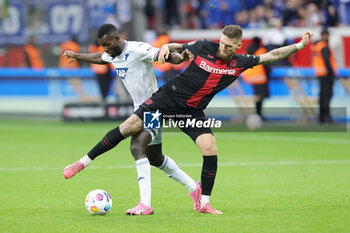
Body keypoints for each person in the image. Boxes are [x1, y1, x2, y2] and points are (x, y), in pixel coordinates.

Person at [65, 25, 313, 214]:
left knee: (209, 147)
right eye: (223, 43)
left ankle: (203, 202)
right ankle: (84, 163)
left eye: (229, 46)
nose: (223, 48)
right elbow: (177, 48)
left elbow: (272, 55)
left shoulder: (241, 63)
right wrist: (166, 48)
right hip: (167, 99)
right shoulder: (205, 46)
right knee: (132, 132)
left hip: (192, 112)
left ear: (237, 47)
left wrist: (299, 46)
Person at [62, 24, 200, 215]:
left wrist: (179, 58)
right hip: (140, 109)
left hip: (154, 108)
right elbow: (100, 58)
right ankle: (194, 188)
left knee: (135, 146)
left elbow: (164, 54)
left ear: (117, 38)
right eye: (103, 46)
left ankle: (85, 163)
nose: (106, 49)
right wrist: (77, 56)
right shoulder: (112, 54)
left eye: (108, 44)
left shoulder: (138, 49)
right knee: (155, 157)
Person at [312, 28, 337, 123]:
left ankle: (322, 117)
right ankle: (326, 117)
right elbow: (327, 61)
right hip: (326, 74)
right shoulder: (323, 47)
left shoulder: (317, 46)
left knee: (323, 96)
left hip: (320, 73)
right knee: (326, 96)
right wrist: (331, 72)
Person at [242, 37, 269, 119]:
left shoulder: (246, 50)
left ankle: (255, 113)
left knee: (256, 95)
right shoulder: (262, 50)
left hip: (248, 76)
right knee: (260, 96)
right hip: (259, 77)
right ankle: (258, 114)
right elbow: (266, 64)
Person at [59, 36, 88, 101]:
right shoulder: (76, 45)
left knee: (69, 82)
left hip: (63, 66)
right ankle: (81, 96)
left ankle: (76, 96)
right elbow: (78, 57)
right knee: (76, 82)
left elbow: (60, 51)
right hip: (72, 67)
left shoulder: (64, 44)